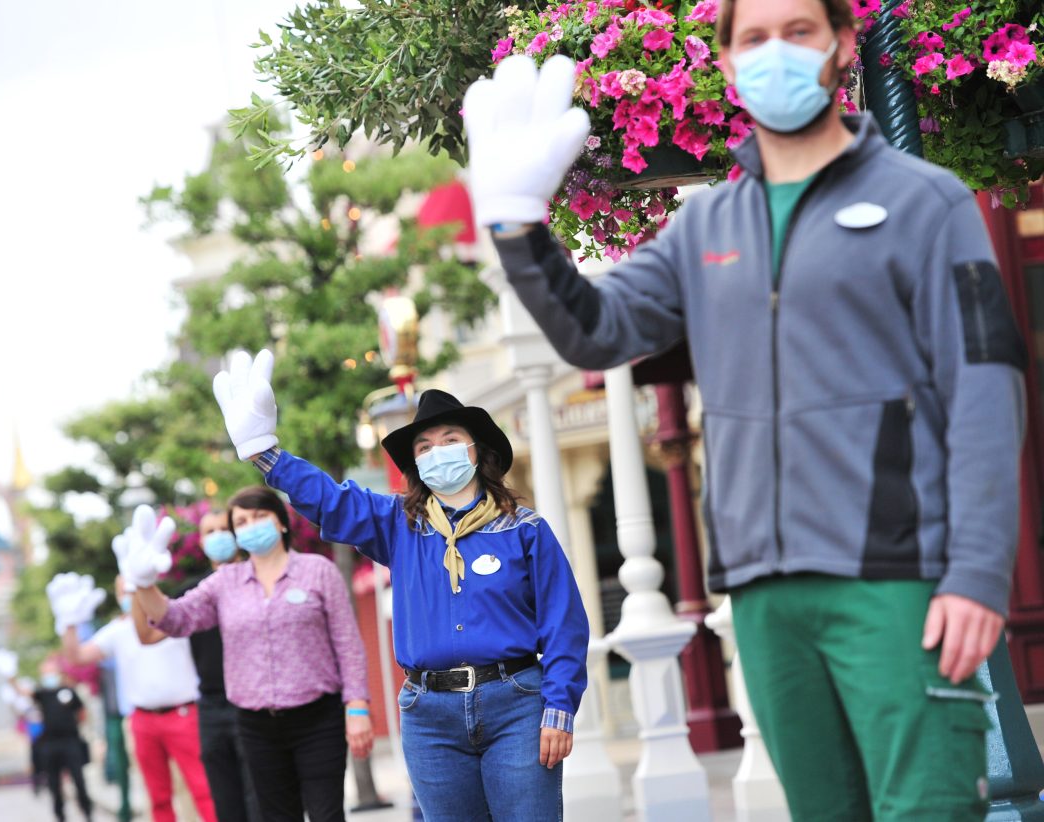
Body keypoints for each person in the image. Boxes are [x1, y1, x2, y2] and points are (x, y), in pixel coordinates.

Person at [461, 0, 1028, 819]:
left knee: (929, 808)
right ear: (724, 63)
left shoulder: (924, 203)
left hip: (898, 577)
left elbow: (984, 387)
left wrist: (976, 575)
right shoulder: (708, 229)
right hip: (764, 594)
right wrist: (518, 229)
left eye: (799, 31)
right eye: (753, 37)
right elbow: (595, 332)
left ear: (842, 45)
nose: (776, 54)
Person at [204, 350, 589, 821]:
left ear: (477, 451)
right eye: (424, 446)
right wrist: (266, 451)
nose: (436, 451)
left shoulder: (524, 530)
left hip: (516, 705)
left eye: (450, 439)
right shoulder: (398, 524)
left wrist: (560, 707)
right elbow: (331, 501)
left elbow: (565, 626)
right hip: (431, 716)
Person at [123, 489, 373, 822]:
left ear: (281, 522)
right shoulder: (225, 582)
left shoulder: (318, 571)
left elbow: (347, 643)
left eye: (259, 516)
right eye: (241, 521)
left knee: (326, 814)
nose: (250, 526)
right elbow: (174, 618)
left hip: (317, 718)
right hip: (257, 725)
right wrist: (143, 584)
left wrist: (357, 706)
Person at [48, 570, 217, 822]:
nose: (130, 595)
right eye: (124, 590)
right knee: (157, 796)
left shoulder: (173, 617)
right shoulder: (117, 630)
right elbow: (77, 656)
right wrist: (68, 623)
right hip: (143, 720)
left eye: (134, 587)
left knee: (201, 789)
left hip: (183, 715)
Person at [130, 508, 263, 822]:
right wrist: (140, 580)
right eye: (209, 532)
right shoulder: (195, 592)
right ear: (201, 542)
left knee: (260, 798)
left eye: (223, 529)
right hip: (213, 705)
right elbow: (148, 633)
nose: (218, 536)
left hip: (256, 700)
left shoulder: (259, 579)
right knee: (223, 802)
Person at [0, 649, 93, 822]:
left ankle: (87, 812)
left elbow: (82, 712)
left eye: (51, 671)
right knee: (54, 783)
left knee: (79, 781)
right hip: (51, 744)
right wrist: (10, 676)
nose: (48, 675)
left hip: (71, 742)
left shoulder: (68, 692)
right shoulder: (42, 694)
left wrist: (76, 727)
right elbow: (21, 692)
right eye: (46, 672)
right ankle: (60, 815)